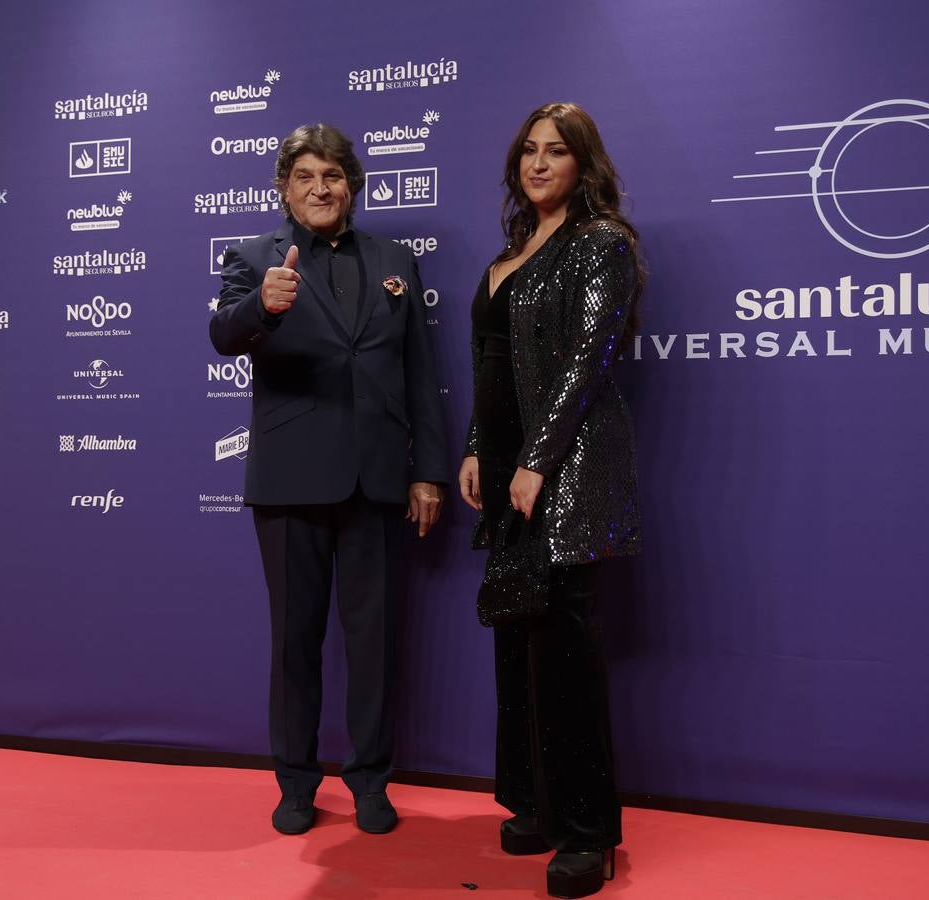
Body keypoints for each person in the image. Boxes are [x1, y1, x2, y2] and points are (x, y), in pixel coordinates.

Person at [210, 123, 450, 836]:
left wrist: (427, 472)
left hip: (376, 481)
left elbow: (419, 374)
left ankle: (372, 780)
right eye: (306, 175)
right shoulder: (254, 258)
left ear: (353, 184)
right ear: (283, 188)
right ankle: (294, 783)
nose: (321, 187)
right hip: (289, 481)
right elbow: (223, 334)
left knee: (373, 641)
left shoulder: (394, 258)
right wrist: (264, 305)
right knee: (294, 641)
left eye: (334, 174)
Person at [458, 103, 643, 899]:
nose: (538, 163)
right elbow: (492, 367)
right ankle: (534, 803)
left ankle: (588, 834)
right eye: (528, 151)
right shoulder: (508, 254)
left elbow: (587, 361)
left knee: (565, 655)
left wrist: (535, 462)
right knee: (518, 644)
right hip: (506, 472)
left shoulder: (601, 247)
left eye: (556, 152)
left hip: (563, 470)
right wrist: (474, 445)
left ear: (582, 165)